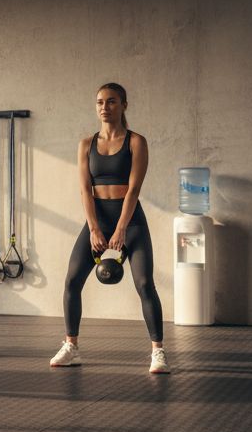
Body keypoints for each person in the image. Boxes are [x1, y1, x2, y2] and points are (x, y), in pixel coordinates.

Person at [51, 82, 168, 373]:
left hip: (131, 221)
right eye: (100, 102)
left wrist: (120, 229)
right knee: (71, 282)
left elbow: (134, 189)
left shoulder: (135, 142)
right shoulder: (86, 144)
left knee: (144, 284)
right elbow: (85, 190)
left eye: (112, 102)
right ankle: (71, 346)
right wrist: (94, 229)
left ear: (124, 105)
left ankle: (158, 352)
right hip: (98, 220)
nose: (105, 107)